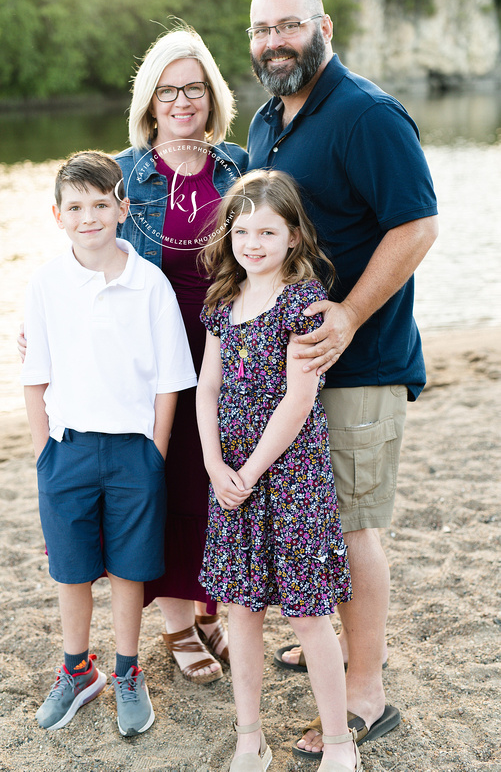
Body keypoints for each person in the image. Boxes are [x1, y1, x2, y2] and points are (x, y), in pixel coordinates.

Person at [245, 0, 439, 757]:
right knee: (313, 517)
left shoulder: (366, 113)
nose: (273, 42)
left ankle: (365, 694)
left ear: (321, 26)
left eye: (288, 26)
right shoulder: (269, 121)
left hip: (360, 367)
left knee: (354, 527)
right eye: (261, 30)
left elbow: (417, 225)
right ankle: (331, 643)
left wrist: (349, 315)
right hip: (296, 375)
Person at [20, 151, 197, 736]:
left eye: (101, 204)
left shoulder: (150, 283)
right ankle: (77, 670)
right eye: (76, 206)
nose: (89, 216)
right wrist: (44, 452)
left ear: (124, 207)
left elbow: (172, 380)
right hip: (67, 450)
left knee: (129, 569)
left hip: (133, 453)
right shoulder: (46, 284)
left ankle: (126, 670)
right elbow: (35, 375)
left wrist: (156, 452)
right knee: (71, 570)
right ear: (58, 215)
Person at [196, 169, 361, 772]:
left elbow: (298, 397)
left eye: (268, 231)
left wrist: (253, 469)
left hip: (290, 477)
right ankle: (249, 737)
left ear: (293, 236)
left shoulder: (302, 301)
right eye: (242, 230)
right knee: (241, 610)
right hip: (231, 481)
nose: (253, 243)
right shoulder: (221, 300)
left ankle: (340, 742)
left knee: (309, 613)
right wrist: (216, 464)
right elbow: (207, 386)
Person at [114, 27, 248, 682]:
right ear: (149, 102)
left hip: (230, 355)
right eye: (167, 90)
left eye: (193, 88)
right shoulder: (124, 175)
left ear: (212, 96)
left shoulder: (239, 166)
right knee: (166, 486)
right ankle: (175, 625)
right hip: (155, 362)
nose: (181, 101)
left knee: (217, 486)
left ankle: (210, 607)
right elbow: (86, 261)